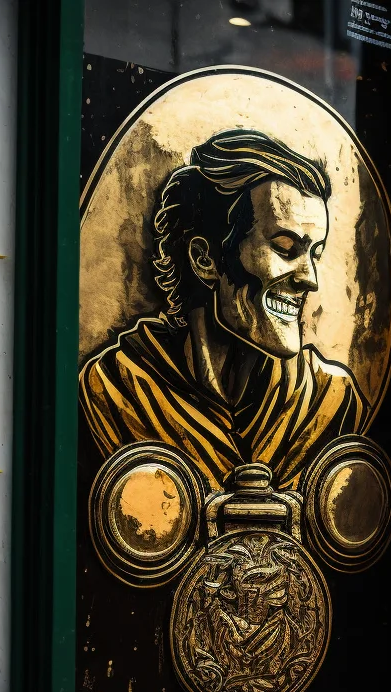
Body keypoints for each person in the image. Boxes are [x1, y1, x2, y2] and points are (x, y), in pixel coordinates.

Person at [79, 129, 363, 493]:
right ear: (205, 258)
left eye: (316, 254)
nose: (310, 280)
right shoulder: (116, 391)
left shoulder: (331, 402)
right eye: (285, 247)